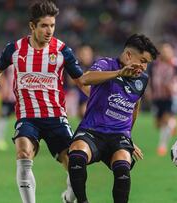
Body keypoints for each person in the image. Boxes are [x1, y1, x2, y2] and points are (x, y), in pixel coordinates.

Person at [0, 1, 143, 203]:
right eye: (44, 26)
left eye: (52, 26)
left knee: (74, 161)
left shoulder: (62, 51)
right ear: (32, 26)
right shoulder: (14, 49)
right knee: (23, 153)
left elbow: (82, 81)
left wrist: (107, 109)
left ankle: (68, 198)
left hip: (56, 117)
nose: (49, 31)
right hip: (28, 117)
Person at [67, 34, 159, 203]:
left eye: (147, 63)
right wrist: (118, 73)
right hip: (92, 130)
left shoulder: (142, 79)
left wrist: (129, 136)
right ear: (129, 55)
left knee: (123, 164)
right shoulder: (105, 64)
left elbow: (135, 106)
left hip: (118, 135)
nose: (144, 67)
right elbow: (85, 79)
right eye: (143, 61)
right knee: (77, 154)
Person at [146, 42, 177, 156]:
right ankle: (173, 124)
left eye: (167, 50)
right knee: (159, 124)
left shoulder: (176, 64)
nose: (165, 53)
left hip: (171, 97)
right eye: (163, 50)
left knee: (167, 119)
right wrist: (148, 91)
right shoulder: (154, 64)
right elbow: (149, 79)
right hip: (157, 97)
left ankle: (162, 146)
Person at [0, 65, 15, 151]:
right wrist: (3, 88)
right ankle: (0, 140)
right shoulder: (9, 59)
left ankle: (31, 140)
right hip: (8, 95)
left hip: (22, 96)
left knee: (28, 119)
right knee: (3, 117)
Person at [75, 44, 94, 118]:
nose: (85, 56)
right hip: (78, 97)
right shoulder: (76, 66)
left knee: (84, 110)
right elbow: (70, 81)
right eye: (83, 54)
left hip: (92, 97)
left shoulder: (97, 66)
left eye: (87, 54)